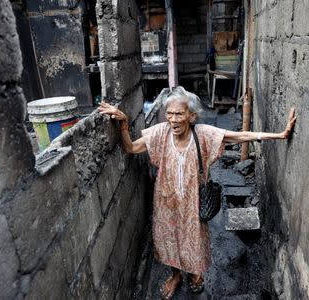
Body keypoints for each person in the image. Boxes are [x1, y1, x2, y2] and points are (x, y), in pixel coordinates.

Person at [98, 86, 296, 299]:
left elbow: (239, 136)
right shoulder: (160, 133)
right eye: (170, 113)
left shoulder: (203, 134)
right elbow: (131, 148)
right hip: (166, 201)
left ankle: (194, 274)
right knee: (168, 240)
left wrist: (280, 135)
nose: (173, 120)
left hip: (193, 202)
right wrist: (124, 122)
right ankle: (176, 276)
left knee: (193, 241)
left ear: (191, 116)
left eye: (179, 114)